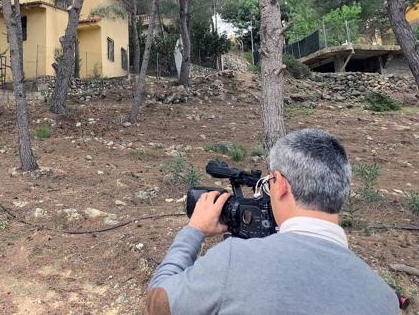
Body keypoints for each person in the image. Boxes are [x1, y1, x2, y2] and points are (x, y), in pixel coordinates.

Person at [146, 128, 398, 315]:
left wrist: (194, 231)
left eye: (269, 183)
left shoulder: (234, 260)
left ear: (281, 186)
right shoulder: (385, 298)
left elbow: (157, 302)